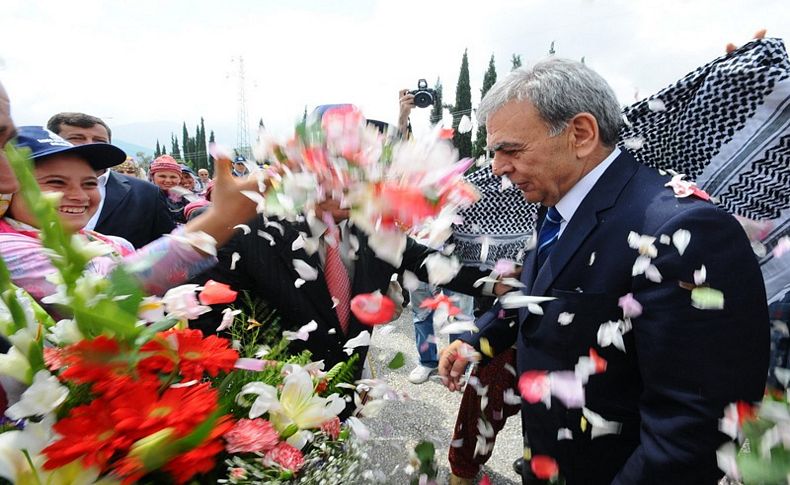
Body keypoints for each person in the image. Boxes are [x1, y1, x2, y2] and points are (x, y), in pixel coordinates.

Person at [438, 58, 769, 484]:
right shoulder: (556, 206)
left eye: (511, 150)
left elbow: (690, 432)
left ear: (580, 134)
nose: (498, 168)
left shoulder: (683, 230)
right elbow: (544, 292)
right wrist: (476, 339)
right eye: (494, 152)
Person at [0, 126, 267, 313]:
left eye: (89, 183)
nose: (79, 195)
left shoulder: (115, 244)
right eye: (56, 183)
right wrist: (221, 218)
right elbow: (103, 297)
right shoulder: (6, 250)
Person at [47, 112, 174, 248]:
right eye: (77, 138)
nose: (90, 145)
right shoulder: (29, 190)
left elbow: (166, 248)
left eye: (99, 140)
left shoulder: (147, 194)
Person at [148, 155, 190, 225]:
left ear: (179, 179)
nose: (168, 180)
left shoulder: (187, 198)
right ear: (152, 177)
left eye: (173, 177)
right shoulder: (144, 196)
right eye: (162, 176)